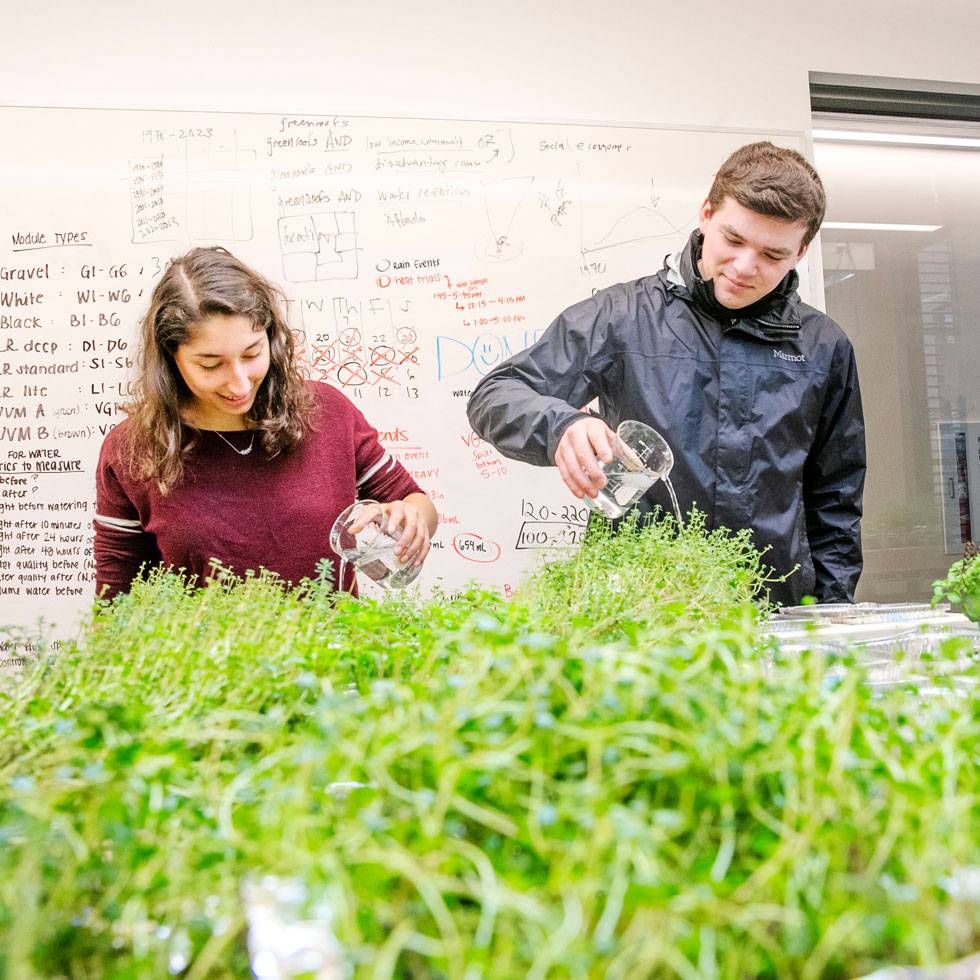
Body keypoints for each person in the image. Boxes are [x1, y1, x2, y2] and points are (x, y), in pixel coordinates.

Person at [467, 142, 865, 607]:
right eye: (733, 240)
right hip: (640, 611)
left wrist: (832, 615)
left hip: (773, 611)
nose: (744, 267)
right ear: (705, 214)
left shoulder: (823, 346)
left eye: (772, 255)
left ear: (801, 251)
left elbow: (836, 500)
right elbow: (494, 395)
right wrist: (561, 426)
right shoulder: (621, 318)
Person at [94, 246, 437, 600]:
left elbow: (416, 503)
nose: (240, 383)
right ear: (171, 358)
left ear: (271, 338)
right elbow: (116, 598)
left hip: (329, 652)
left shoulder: (326, 411)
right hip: (200, 656)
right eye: (211, 365)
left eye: (252, 353)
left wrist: (410, 517)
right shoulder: (132, 450)